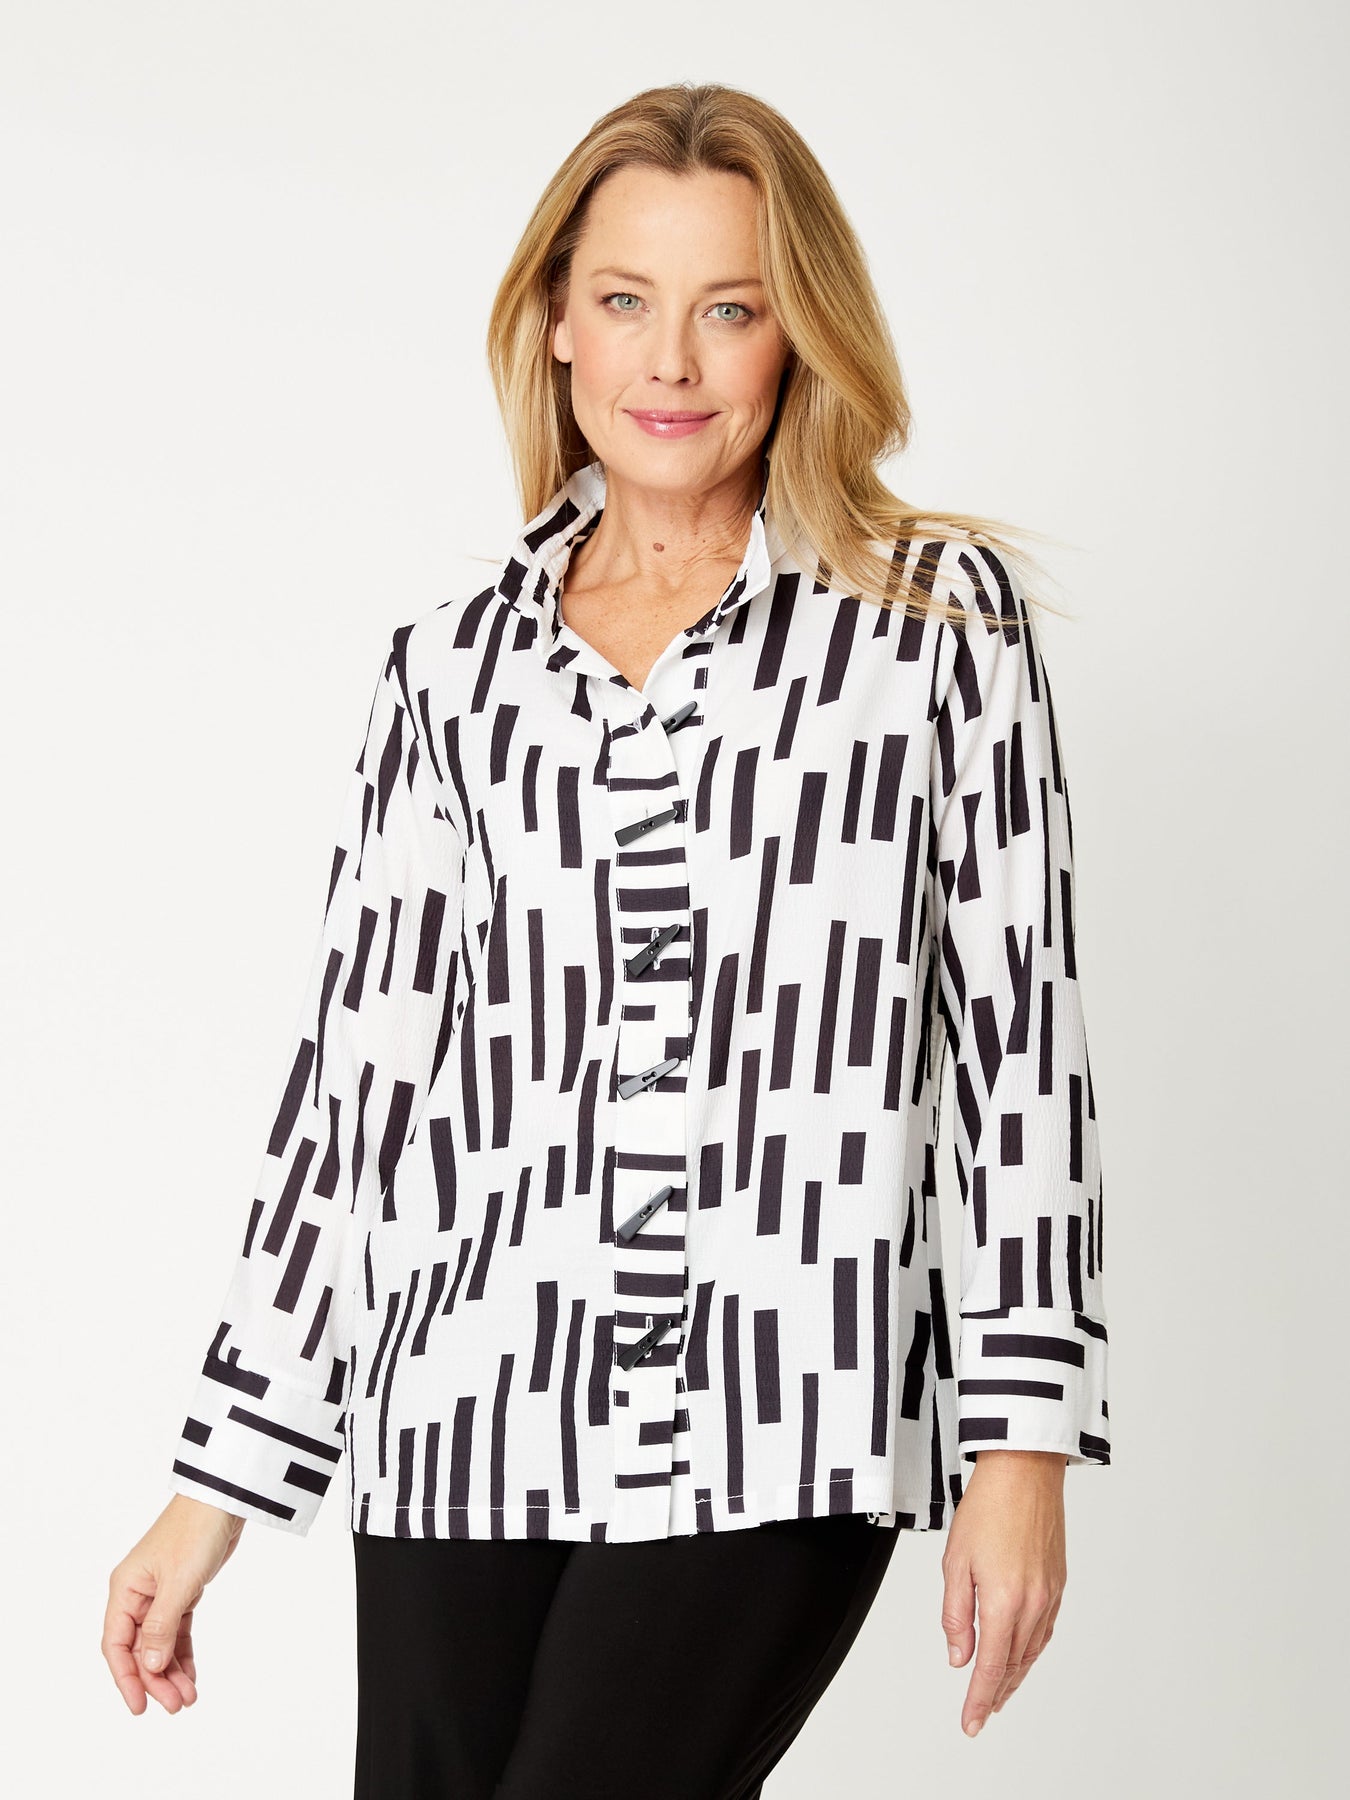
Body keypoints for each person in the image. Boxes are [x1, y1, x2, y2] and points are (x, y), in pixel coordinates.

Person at [103, 81, 1110, 1796]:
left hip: (781, 1396)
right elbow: (361, 1085)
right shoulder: (453, 666)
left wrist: (1022, 1444)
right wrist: (215, 1490)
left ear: (797, 333)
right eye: (628, 300)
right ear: (557, 319)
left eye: (729, 309)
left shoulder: (928, 624)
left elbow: (1017, 1041)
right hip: (461, 1406)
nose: (671, 361)